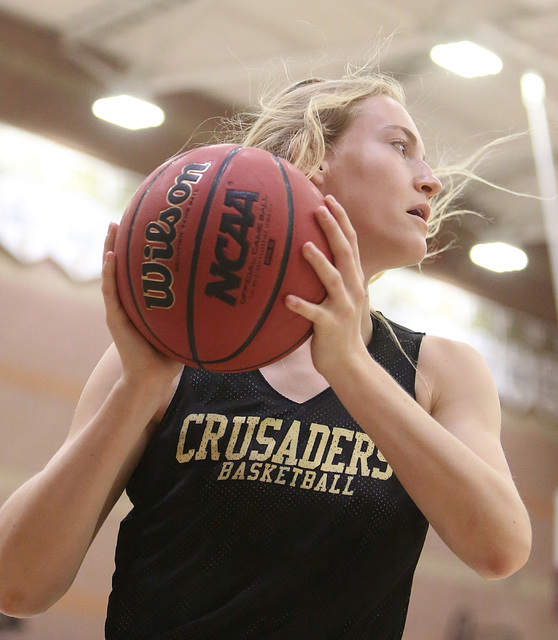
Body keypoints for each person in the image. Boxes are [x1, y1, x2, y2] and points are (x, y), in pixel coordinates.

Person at [0, 71, 531, 639]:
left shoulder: (439, 372)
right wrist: (138, 389)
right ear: (312, 156)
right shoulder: (165, 356)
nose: (431, 182)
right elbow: (17, 584)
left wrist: (350, 364)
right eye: (401, 147)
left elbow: (499, 548)